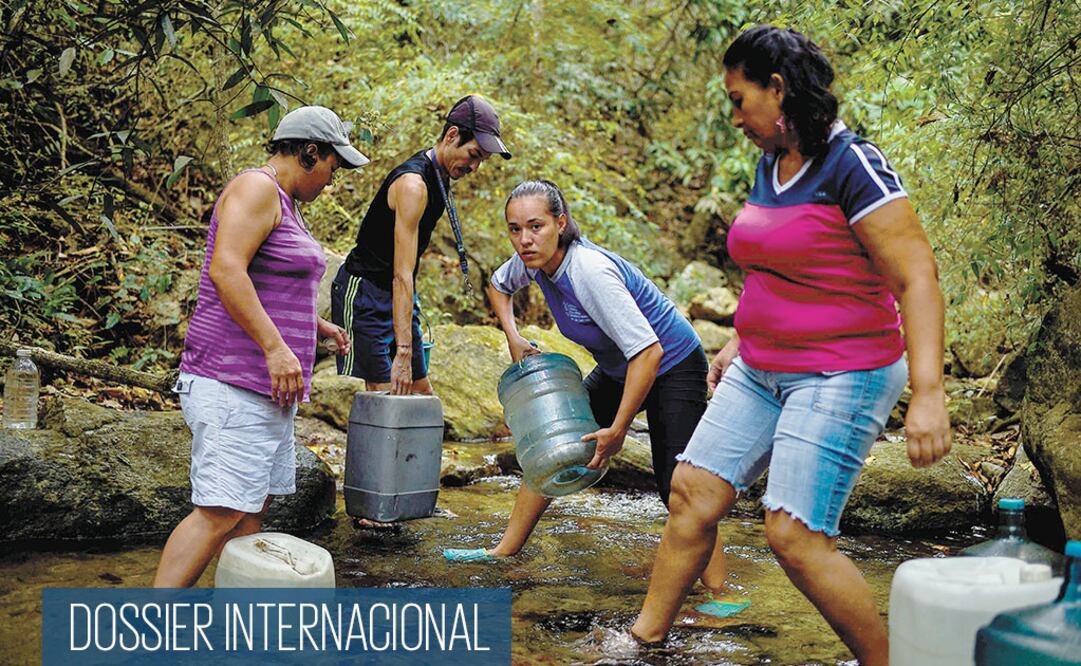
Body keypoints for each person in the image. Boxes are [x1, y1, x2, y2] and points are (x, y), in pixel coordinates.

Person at [629, 26, 952, 665]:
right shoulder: (769, 162)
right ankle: (641, 644)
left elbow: (917, 275)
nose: (733, 117)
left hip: (844, 369)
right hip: (760, 365)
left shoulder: (850, 163)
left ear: (777, 90)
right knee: (692, 492)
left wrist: (930, 392)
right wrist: (742, 340)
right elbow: (777, 263)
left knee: (795, 535)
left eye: (738, 100)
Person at [443, 180, 726, 592]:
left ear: (560, 223)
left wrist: (618, 430)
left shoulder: (589, 272)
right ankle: (504, 550)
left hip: (673, 365)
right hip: (620, 368)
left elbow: (649, 353)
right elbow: (499, 287)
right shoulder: (532, 261)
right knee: (548, 445)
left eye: (535, 226)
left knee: (677, 485)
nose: (524, 239)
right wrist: (513, 337)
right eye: (515, 229)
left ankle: (720, 591)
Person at [153, 106, 364, 587]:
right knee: (220, 509)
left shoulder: (286, 203)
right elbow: (226, 270)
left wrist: (315, 326)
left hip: (263, 387)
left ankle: (240, 624)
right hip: (233, 380)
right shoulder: (256, 188)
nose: (334, 179)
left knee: (250, 508)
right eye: (334, 166)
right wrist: (275, 348)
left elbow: (265, 284)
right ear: (311, 152)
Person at [331, 94, 511, 396]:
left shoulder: (440, 174)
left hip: (396, 291)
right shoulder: (413, 185)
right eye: (474, 154)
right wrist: (402, 351)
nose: (475, 167)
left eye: (482, 160)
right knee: (386, 396)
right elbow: (402, 272)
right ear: (452, 135)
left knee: (421, 392)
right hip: (366, 291)